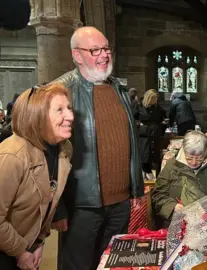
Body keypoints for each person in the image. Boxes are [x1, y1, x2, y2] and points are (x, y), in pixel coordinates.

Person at [51, 26, 144, 270]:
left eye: (106, 48)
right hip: (81, 204)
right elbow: (49, 152)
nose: (104, 55)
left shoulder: (119, 89)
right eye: (95, 50)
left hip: (121, 203)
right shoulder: (60, 91)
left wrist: (137, 190)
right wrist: (58, 207)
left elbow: (131, 140)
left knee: (111, 265)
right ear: (77, 55)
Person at [0, 84, 74, 269]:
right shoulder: (12, 156)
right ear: (37, 116)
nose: (70, 116)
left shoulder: (64, 149)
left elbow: (48, 199)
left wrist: (38, 242)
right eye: (59, 110)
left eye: (69, 108)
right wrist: (20, 252)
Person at [151, 131, 207, 227]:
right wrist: (173, 207)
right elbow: (158, 195)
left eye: (199, 158)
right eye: (189, 158)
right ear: (184, 151)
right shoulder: (172, 165)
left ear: (205, 153)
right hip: (178, 223)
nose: (193, 162)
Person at [138, 89, 166, 180]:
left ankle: (148, 173)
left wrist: (163, 122)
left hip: (154, 134)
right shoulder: (139, 107)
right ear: (148, 98)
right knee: (144, 155)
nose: (155, 101)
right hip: (143, 135)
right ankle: (147, 172)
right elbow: (133, 120)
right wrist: (140, 125)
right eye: (153, 98)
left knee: (154, 156)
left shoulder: (158, 108)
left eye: (156, 99)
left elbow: (162, 118)